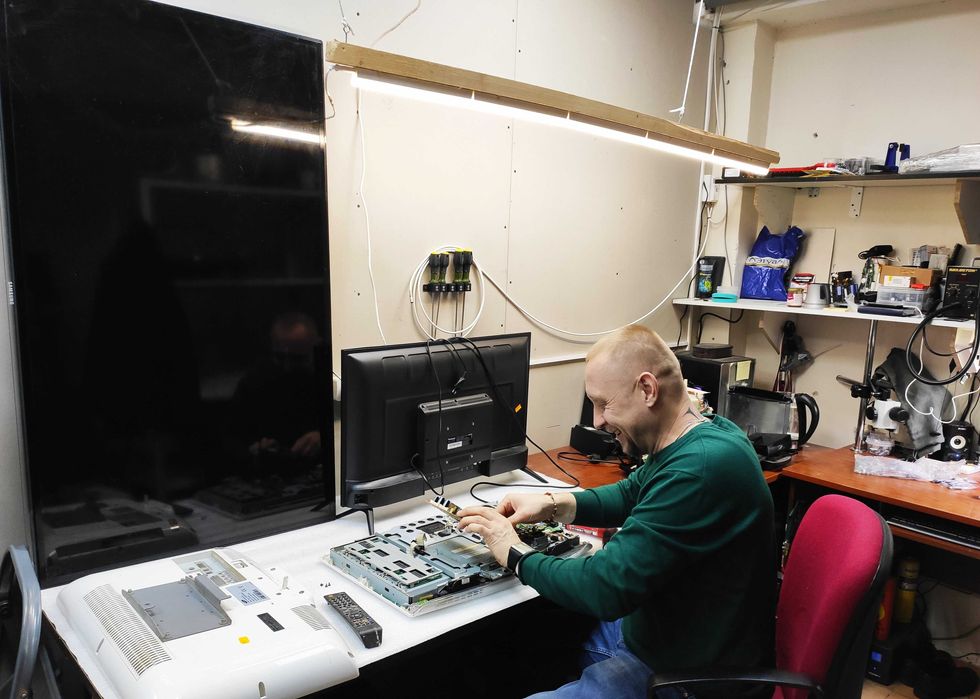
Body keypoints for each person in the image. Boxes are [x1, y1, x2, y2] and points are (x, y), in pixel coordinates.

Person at [458, 324, 775, 699]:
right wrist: (552, 503)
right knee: (524, 642)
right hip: (660, 636)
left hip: (686, 679)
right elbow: (631, 492)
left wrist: (512, 551)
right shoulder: (703, 435)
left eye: (603, 403)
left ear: (647, 389)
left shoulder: (699, 469)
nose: (596, 421)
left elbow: (605, 589)